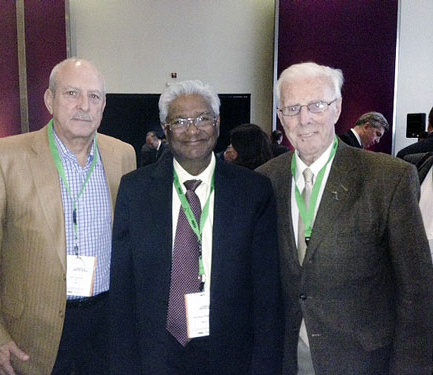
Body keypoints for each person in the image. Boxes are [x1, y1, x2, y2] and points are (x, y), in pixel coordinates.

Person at [256, 62, 433, 375]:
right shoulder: (264, 181)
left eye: (317, 105)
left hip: (362, 360)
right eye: (293, 108)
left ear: (337, 109)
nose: (304, 118)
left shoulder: (388, 179)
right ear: (281, 116)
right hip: (285, 359)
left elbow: (417, 292)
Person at [0, 58, 136, 375]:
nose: (84, 105)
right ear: (49, 100)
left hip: (105, 321)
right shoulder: (3, 156)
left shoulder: (123, 154)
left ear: (104, 105)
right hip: (31, 327)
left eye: (94, 96)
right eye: (72, 93)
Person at [110, 80, 282, 374]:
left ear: (217, 124)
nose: (193, 131)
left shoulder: (253, 191)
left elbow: (266, 293)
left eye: (203, 119)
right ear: (165, 128)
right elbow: (123, 290)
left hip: (230, 354)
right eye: (180, 121)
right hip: (156, 353)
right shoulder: (135, 190)